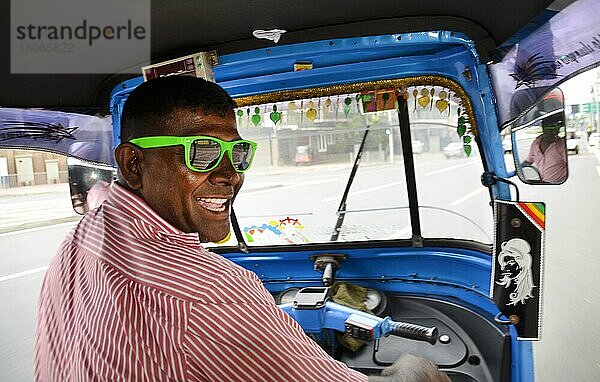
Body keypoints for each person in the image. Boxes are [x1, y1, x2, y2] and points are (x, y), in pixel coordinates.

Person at [34, 76, 449, 382]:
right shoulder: (211, 293)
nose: (231, 175)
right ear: (133, 164)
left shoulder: (80, 239)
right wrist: (417, 370)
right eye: (202, 151)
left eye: (238, 152)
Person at [522, 113, 567, 183]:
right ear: (543, 128)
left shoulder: (561, 145)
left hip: (558, 186)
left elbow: (569, 165)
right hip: (540, 184)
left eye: (557, 128)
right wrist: (519, 169)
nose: (555, 132)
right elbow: (528, 161)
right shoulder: (535, 144)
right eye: (551, 128)